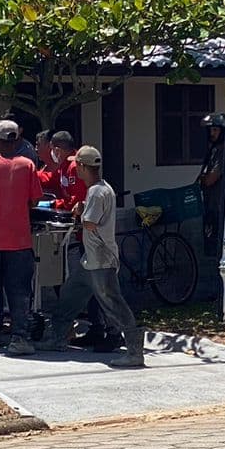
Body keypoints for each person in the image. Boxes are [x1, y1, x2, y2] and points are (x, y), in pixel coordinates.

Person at [36, 146, 145, 368]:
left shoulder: (95, 191)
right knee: (70, 295)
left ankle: (135, 351)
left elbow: (90, 223)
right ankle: (57, 338)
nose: (75, 169)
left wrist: (79, 214)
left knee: (113, 303)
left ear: (83, 167)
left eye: (77, 165)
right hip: (92, 258)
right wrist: (84, 206)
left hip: (101, 259)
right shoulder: (102, 188)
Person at [0, 119, 43, 354]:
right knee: (20, 291)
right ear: (16, 139)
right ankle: (19, 336)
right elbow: (35, 200)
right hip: (20, 240)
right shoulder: (28, 165)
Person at [199, 112, 225, 258]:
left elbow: (210, 179)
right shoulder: (213, 150)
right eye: (210, 130)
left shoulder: (223, 152)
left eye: (215, 130)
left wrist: (203, 179)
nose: (212, 133)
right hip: (210, 204)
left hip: (218, 207)